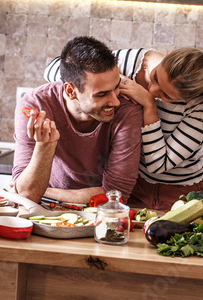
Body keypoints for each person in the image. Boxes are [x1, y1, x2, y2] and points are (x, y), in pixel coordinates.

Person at [44, 47, 203, 211]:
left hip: (181, 192)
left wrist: (148, 104)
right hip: (134, 185)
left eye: (166, 96)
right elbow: (55, 69)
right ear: (169, 54)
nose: (154, 89)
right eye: (155, 77)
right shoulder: (132, 62)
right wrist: (114, 82)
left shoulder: (202, 104)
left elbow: (158, 164)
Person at [13, 37, 143, 204]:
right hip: (44, 211)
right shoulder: (35, 107)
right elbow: (26, 195)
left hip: (99, 213)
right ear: (70, 91)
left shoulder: (127, 111)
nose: (115, 101)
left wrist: (45, 192)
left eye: (116, 87)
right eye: (101, 94)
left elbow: (116, 195)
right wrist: (46, 146)